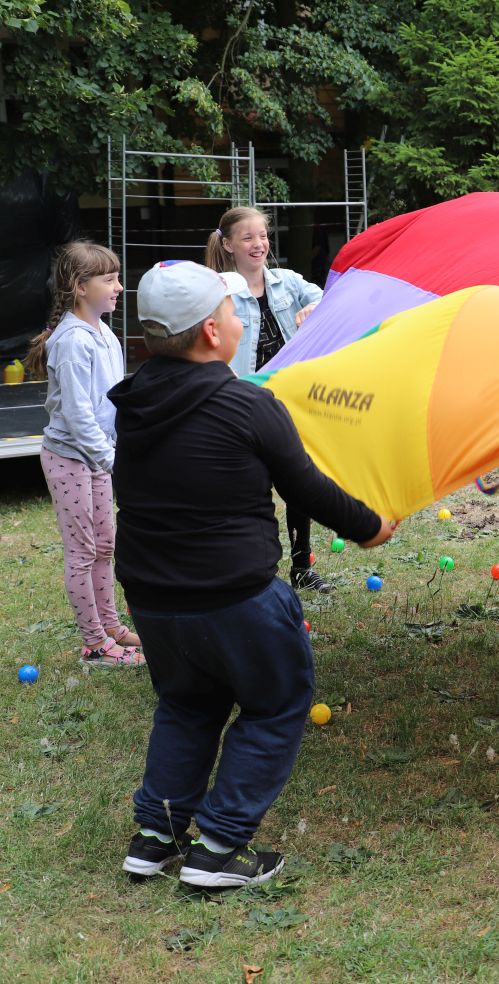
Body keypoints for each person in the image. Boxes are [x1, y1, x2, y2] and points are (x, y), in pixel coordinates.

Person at [109, 260, 394, 887]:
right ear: (213, 332)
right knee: (274, 704)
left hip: (153, 599)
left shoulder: (132, 404)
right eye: (235, 312)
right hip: (235, 595)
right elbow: (307, 488)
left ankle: (156, 835)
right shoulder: (245, 404)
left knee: (187, 704)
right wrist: (371, 526)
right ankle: (219, 848)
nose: (241, 320)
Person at [25, 241, 143, 666]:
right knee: (83, 551)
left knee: (105, 546)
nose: (119, 287)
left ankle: (111, 627)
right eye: (109, 279)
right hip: (70, 459)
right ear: (79, 287)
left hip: (96, 457)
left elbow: (109, 400)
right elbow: (76, 414)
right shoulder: (73, 341)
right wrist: (110, 460)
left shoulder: (102, 330)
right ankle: (95, 645)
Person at [206, 206, 332, 593]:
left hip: (288, 402)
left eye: (262, 236)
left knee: (298, 481)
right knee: (250, 487)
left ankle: (301, 566)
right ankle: (254, 570)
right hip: (243, 403)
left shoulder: (288, 283)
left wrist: (316, 306)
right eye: (248, 237)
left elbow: (333, 299)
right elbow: (205, 338)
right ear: (227, 245)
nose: (259, 244)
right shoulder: (217, 292)